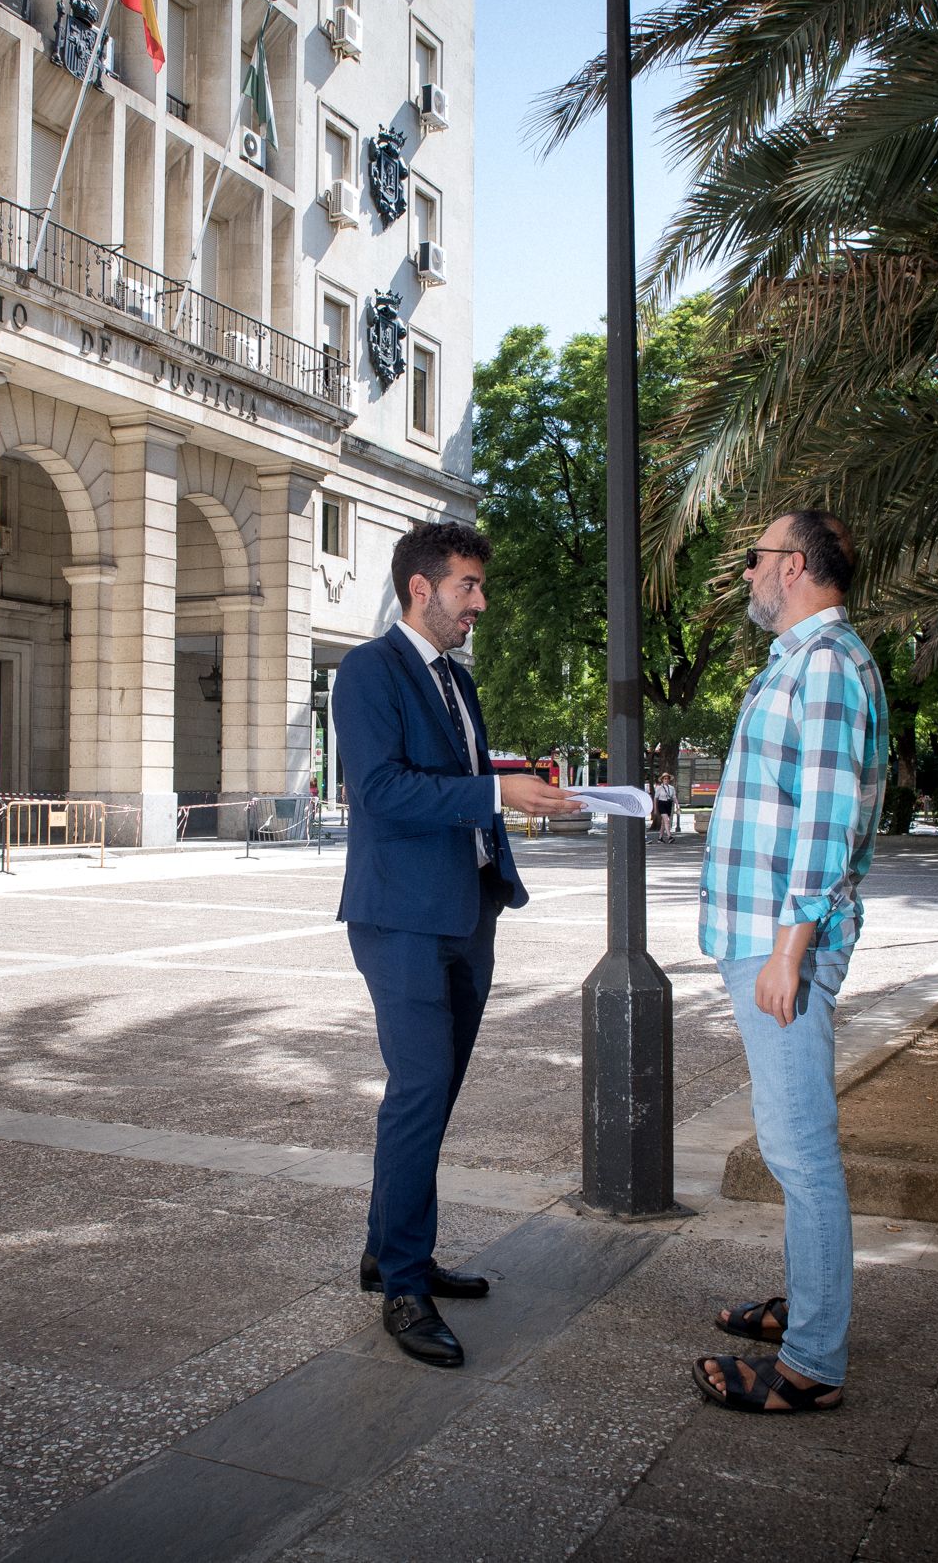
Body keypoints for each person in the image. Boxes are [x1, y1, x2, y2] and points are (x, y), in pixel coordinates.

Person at [333, 522, 581, 1369]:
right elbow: (383, 789)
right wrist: (493, 789)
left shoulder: (458, 681)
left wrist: (523, 793)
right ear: (421, 589)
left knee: (434, 1095)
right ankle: (403, 1284)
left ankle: (388, 1246)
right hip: (400, 914)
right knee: (419, 1088)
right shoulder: (369, 672)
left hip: (468, 908)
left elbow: (463, 779)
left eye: (478, 586)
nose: (480, 601)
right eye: (468, 585)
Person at [693, 509, 888, 1414]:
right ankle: (808, 1306)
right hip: (761, 937)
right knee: (790, 1143)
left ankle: (813, 1360)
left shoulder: (829, 667)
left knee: (801, 1149)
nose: (747, 573)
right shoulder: (800, 662)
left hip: (782, 947)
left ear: (797, 564)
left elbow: (825, 821)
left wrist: (788, 949)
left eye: (757, 557)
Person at [653, 771, 678, 843]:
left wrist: (678, 806)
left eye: (667, 779)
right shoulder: (659, 788)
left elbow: (674, 797)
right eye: (664, 779)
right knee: (666, 820)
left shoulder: (671, 788)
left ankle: (660, 838)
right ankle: (669, 836)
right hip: (662, 803)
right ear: (662, 780)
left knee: (664, 822)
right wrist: (655, 809)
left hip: (668, 804)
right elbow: (655, 798)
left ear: (669, 780)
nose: (666, 780)